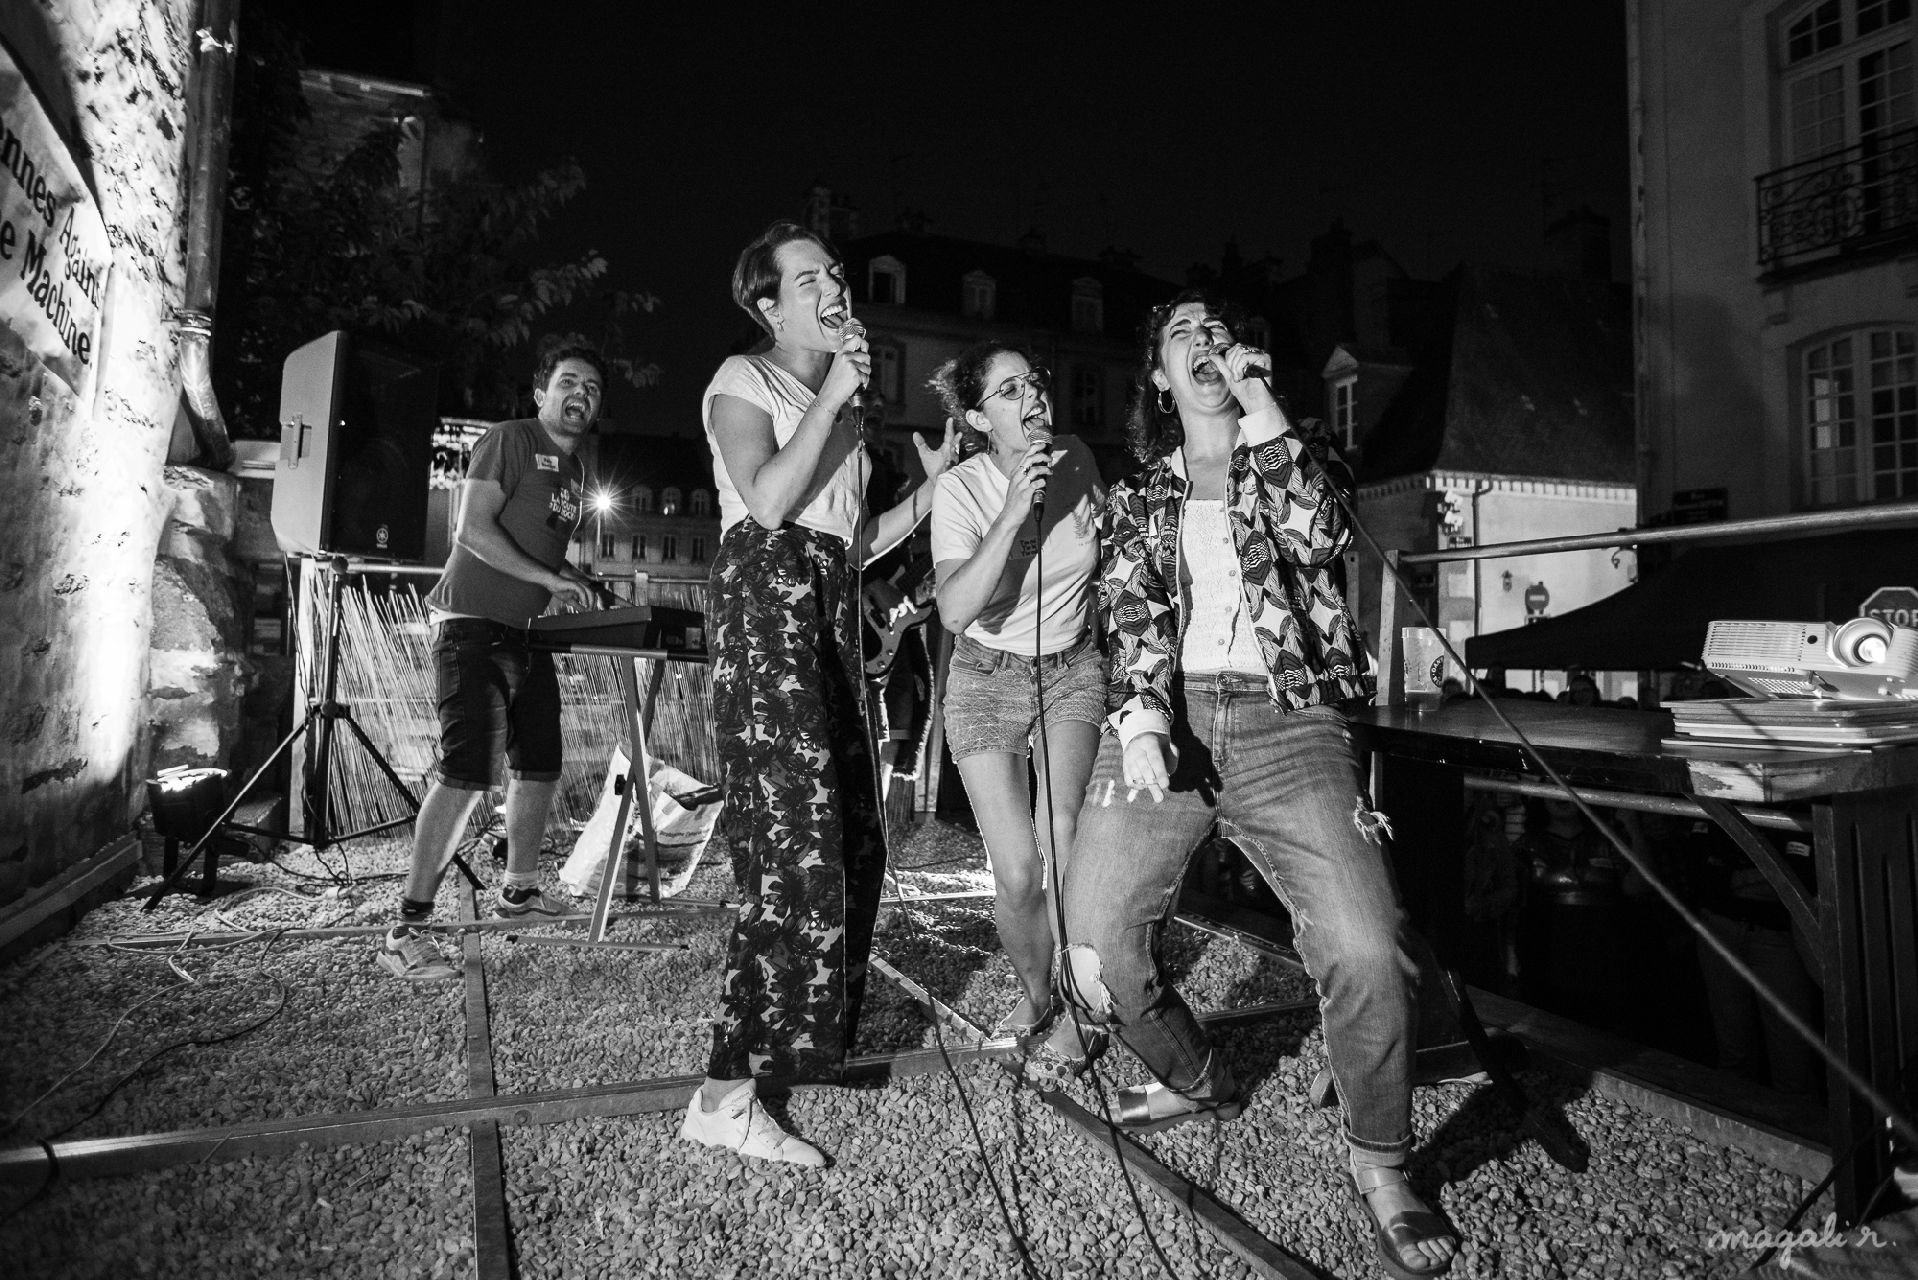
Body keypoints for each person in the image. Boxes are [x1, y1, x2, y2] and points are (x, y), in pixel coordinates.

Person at [1058, 292, 1456, 1278]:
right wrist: (1143, 724)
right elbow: (1130, 616)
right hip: (1170, 718)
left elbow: (1319, 535)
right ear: (1158, 377)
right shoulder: (1136, 496)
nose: (1205, 340)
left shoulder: (1295, 450)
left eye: (1218, 329)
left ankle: (1381, 1161)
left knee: (1367, 946)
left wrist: (1259, 405)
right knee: (1094, 948)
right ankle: (1196, 1074)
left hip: (1294, 721)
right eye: (1182, 333)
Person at [679, 221, 954, 1167]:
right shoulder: (742, 379)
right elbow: (766, 502)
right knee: (790, 845)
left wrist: (936, 490)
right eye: (810, 280)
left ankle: (799, 1045)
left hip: (828, 599)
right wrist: (836, 393)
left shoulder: (839, 411)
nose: (835, 287)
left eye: (836, 272)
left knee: (851, 840)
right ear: (768, 305)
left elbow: (855, 537)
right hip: (767, 600)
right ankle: (723, 1093)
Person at [377, 343, 605, 982]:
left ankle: (519, 893)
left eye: (592, 387)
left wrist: (571, 577)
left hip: (528, 633)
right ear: (540, 393)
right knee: (467, 773)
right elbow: (472, 530)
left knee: (540, 765)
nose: (580, 394)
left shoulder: (574, 469)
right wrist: (552, 579)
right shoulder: (510, 438)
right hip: (473, 624)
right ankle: (406, 929)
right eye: (568, 382)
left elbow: (535, 545)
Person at [926, 341, 1107, 1075]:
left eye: (1033, 380)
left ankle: (1083, 1003)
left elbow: (1110, 560)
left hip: (1070, 666)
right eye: (1008, 390)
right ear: (978, 418)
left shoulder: (1078, 458)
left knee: (1064, 835)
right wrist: (1010, 516)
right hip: (985, 675)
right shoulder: (961, 490)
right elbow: (953, 610)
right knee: (1018, 873)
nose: (1031, 395)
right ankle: (1037, 995)